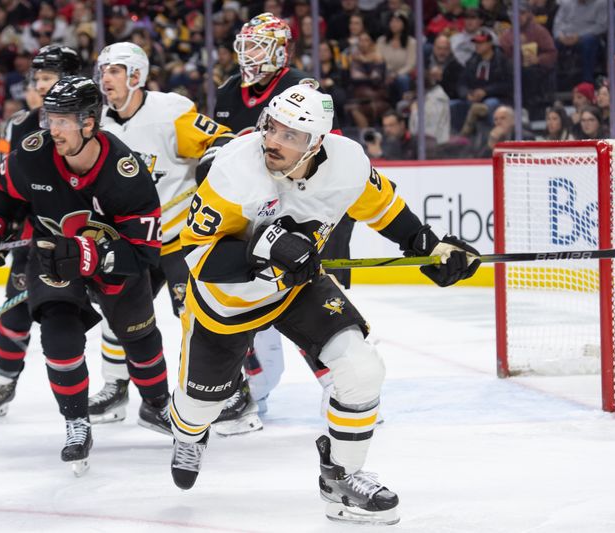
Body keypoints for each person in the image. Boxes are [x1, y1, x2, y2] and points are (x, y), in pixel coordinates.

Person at [168, 84, 480, 524]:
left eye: (291, 135)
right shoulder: (234, 168)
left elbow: (383, 207)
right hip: (229, 300)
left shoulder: (348, 160)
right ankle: (188, 430)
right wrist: (269, 245)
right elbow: (198, 255)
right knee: (200, 406)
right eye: (271, 127)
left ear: (317, 142)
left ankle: (342, 480)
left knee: (362, 370)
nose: (273, 141)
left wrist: (426, 247)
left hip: (299, 287)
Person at [0, 76, 165, 475]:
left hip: (114, 262)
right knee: (58, 337)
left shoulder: (126, 172)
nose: (52, 129)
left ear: (90, 123)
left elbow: (143, 251)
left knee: (139, 337)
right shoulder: (33, 153)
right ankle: (76, 422)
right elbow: (4, 195)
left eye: (63, 120)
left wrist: (90, 253)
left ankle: (158, 405)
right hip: (54, 257)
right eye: (49, 118)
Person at [212, 12, 354, 435]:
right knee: (251, 304)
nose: (249, 55)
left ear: (279, 51)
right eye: (246, 45)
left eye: (258, 46)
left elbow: (329, 158)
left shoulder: (302, 90)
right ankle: (249, 394)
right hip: (258, 218)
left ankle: (343, 389)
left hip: (309, 212)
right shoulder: (226, 92)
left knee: (314, 306)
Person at [87, 41, 233, 428]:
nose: (105, 78)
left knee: (200, 317)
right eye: (102, 70)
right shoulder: (98, 123)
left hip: (181, 240)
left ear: (137, 76)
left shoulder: (170, 112)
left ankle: (226, 393)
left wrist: (209, 165)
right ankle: (115, 387)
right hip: (134, 241)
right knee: (116, 312)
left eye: (114, 70)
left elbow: (225, 141)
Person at [0, 45, 82, 421]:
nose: (38, 87)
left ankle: (120, 387)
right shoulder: (19, 124)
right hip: (34, 238)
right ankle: (4, 380)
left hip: (85, 241)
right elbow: (5, 184)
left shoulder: (93, 122)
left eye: (47, 79)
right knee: (16, 310)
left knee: (122, 314)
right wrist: (3, 229)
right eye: (36, 80)